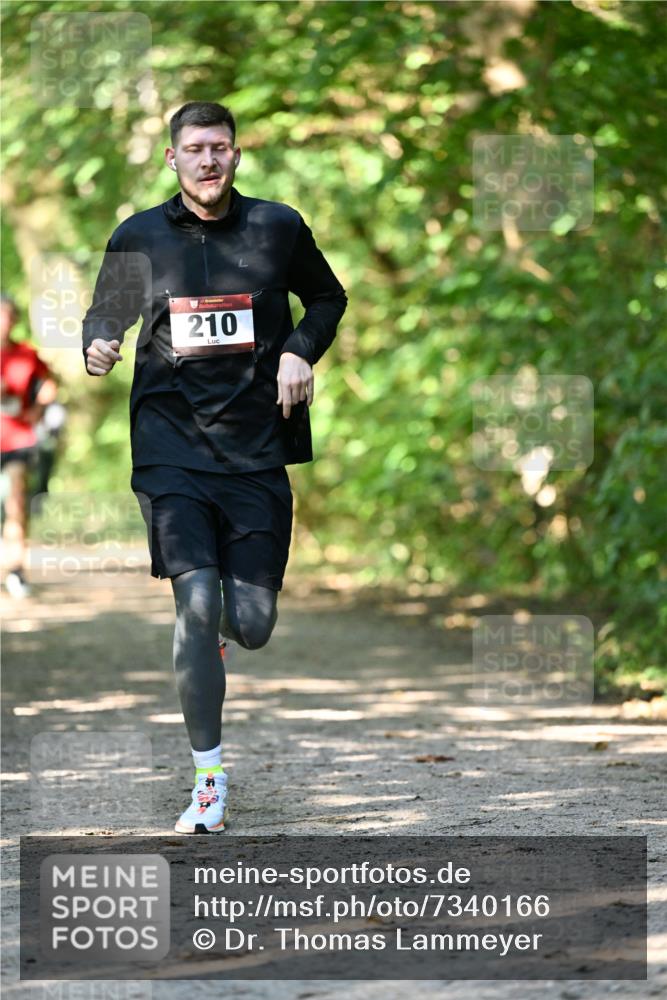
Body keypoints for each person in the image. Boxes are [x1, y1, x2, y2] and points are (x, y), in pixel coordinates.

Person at [82, 101, 347, 834]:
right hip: (170, 451)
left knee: (250, 625)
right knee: (195, 607)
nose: (208, 160)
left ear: (236, 155)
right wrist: (98, 343)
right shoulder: (138, 236)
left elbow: (327, 296)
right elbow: (106, 314)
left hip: (258, 450)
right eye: (195, 149)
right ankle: (208, 780)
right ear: (173, 159)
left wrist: (299, 350)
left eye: (220, 148)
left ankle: (222, 631)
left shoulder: (277, 227)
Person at [1, 295, 58, 598]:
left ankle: (15, 570)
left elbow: (50, 384)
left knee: (16, 504)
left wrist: (35, 411)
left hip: (17, 439)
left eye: (9, 316)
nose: (4, 322)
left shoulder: (25, 354)